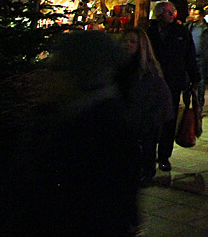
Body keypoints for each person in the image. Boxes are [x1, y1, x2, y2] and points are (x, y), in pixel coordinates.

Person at [8, 30, 139, 235]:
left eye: (57, 68)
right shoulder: (59, 112)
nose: (46, 75)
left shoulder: (103, 130)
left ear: (82, 74)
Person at [146, 0, 200, 172]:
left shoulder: (181, 32)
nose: (172, 15)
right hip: (153, 82)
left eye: (173, 11)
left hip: (173, 82)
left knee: (169, 119)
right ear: (160, 14)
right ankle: (148, 156)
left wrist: (194, 79)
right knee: (151, 120)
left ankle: (164, 156)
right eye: (168, 12)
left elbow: (189, 56)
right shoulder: (150, 32)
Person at [117, 28, 175, 185]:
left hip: (143, 127)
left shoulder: (148, 72)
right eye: (125, 41)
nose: (127, 45)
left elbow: (163, 102)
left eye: (132, 42)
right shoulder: (118, 68)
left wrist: (149, 124)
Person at [187, 6, 208, 112]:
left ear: (201, 16)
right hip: (190, 58)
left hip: (201, 58)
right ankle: (187, 106)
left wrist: (207, 54)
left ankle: (199, 106)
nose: (193, 16)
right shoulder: (189, 27)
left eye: (195, 14)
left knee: (200, 82)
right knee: (187, 82)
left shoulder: (207, 29)